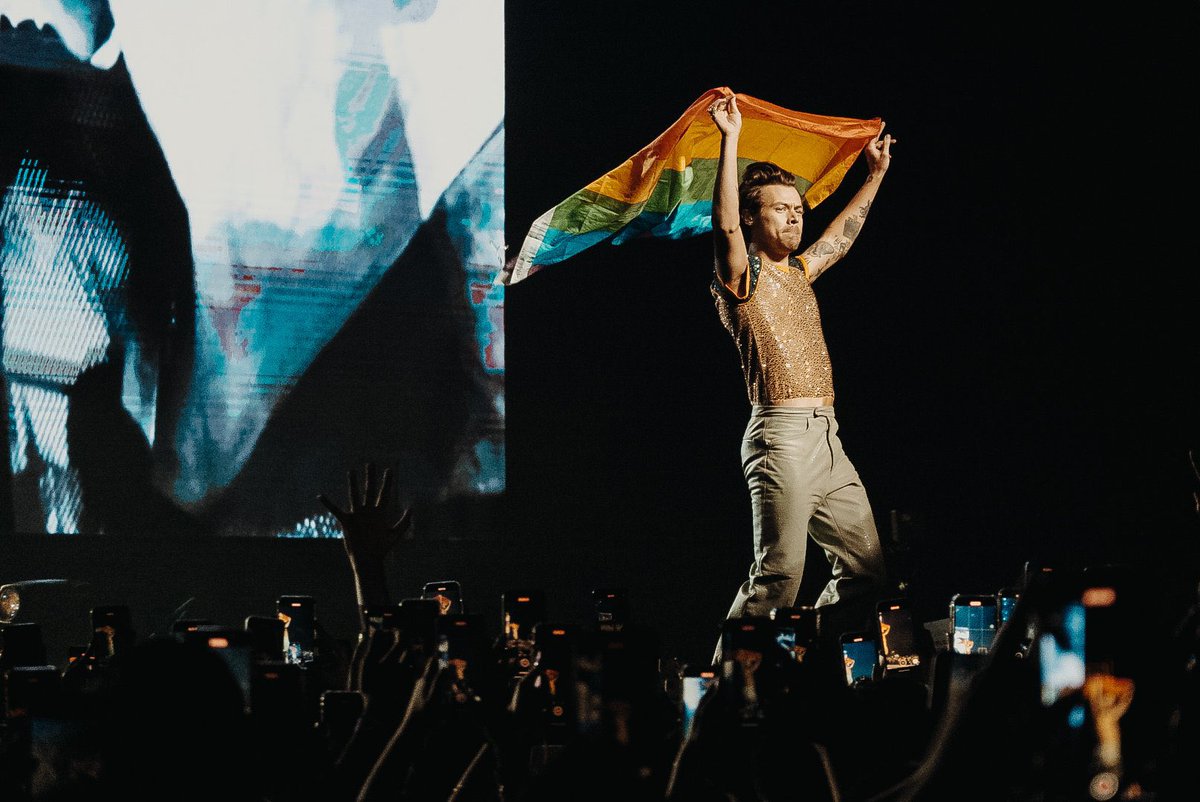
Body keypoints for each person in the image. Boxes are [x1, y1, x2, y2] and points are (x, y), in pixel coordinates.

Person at [707, 92, 894, 661]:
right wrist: (729, 138)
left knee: (868, 572)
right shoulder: (742, 276)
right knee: (779, 577)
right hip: (780, 437)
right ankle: (718, 687)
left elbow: (839, 236)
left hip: (827, 437)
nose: (795, 214)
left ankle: (795, 647)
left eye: (798, 207)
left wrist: (874, 177)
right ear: (750, 217)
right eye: (780, 207)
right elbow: (723, 226)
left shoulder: (800, 274)